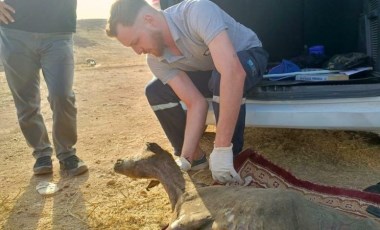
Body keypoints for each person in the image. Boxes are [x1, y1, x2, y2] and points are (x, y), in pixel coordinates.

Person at [106, 0, 268, 184]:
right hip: (214, 68)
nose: (137, 51)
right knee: (155, 90)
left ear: (149, 19)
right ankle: (195, 158)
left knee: (221, 76)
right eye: (131, 47)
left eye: (136, 41)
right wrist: (186, 157)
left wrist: (221, 147)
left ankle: (231, 157)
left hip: (248, 55)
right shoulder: (154, 60)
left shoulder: (197, 12)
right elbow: (195, 103)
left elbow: (233, 72)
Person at [0, 0, 88, 176]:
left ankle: (67, 153)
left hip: (59, 30)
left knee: (62, 95)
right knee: (25, 100)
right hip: (14, 30)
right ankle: (41, 154)